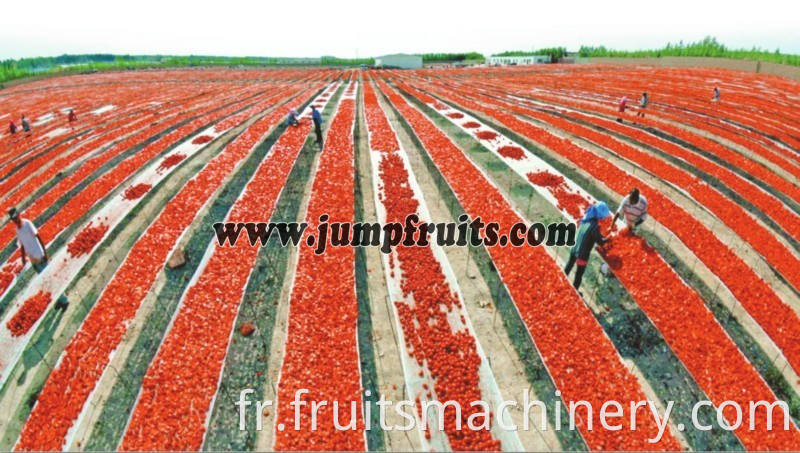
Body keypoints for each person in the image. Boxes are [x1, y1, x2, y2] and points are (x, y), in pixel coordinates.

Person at [564, 202, 611, 292]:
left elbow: (592, 235)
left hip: (574, 248)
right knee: (578, 275)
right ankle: (574, 292)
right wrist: (609, 239)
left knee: (569, 266)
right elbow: (600, 241)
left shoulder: (586, 220)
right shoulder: (594, 226)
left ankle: (561, 280)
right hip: (582, 254)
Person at [8, 207, 49, 273]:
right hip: (33, 260)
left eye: (16, 218)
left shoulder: (27, 223)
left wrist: (45, 253)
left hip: (40, 256)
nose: (15, 220)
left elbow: (38, 236)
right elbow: (22, 245)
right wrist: (23, 259)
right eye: (13, 219)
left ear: (19, 215)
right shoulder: (17, 230)